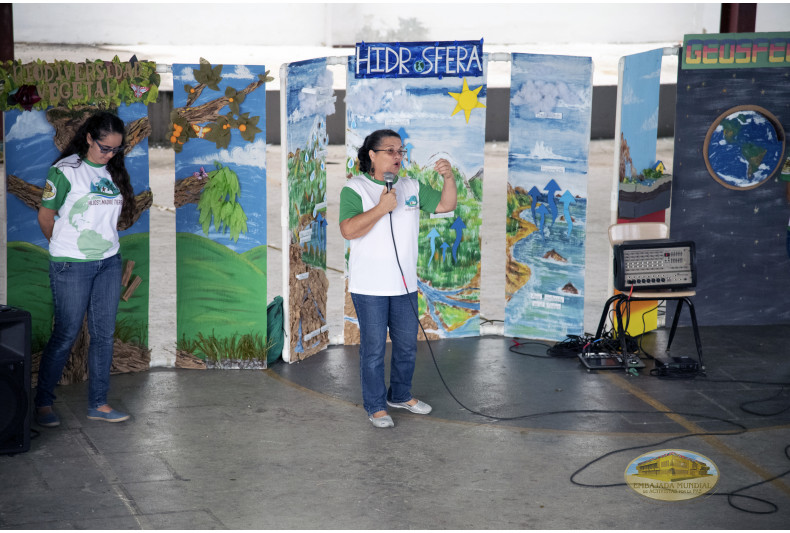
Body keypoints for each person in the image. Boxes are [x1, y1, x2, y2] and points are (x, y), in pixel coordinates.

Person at [339, 129, 457, 428]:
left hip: (403, 284)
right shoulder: (355, 188)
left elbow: (446, 205)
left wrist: (449, 178)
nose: (397, 157)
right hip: (369, 286)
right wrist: (381, 208)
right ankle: (376, 405)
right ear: (372, 155)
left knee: (406, 345)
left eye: (400, 151)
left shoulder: (411, 186)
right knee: (374, 349)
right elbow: (348, 230)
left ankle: (401, 395)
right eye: (389, 151)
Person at [34, 111, 136, 427]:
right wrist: (66, 248)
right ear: (89, 138)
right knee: (66, 333)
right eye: (104, 147)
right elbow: (45, 218)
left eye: (115, 149)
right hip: (71, 265)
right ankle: (43, 403)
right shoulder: (65, 171)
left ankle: (98, 404)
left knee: (103, 335)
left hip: (108, 262)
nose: (109, 154)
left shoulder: (113, 172)